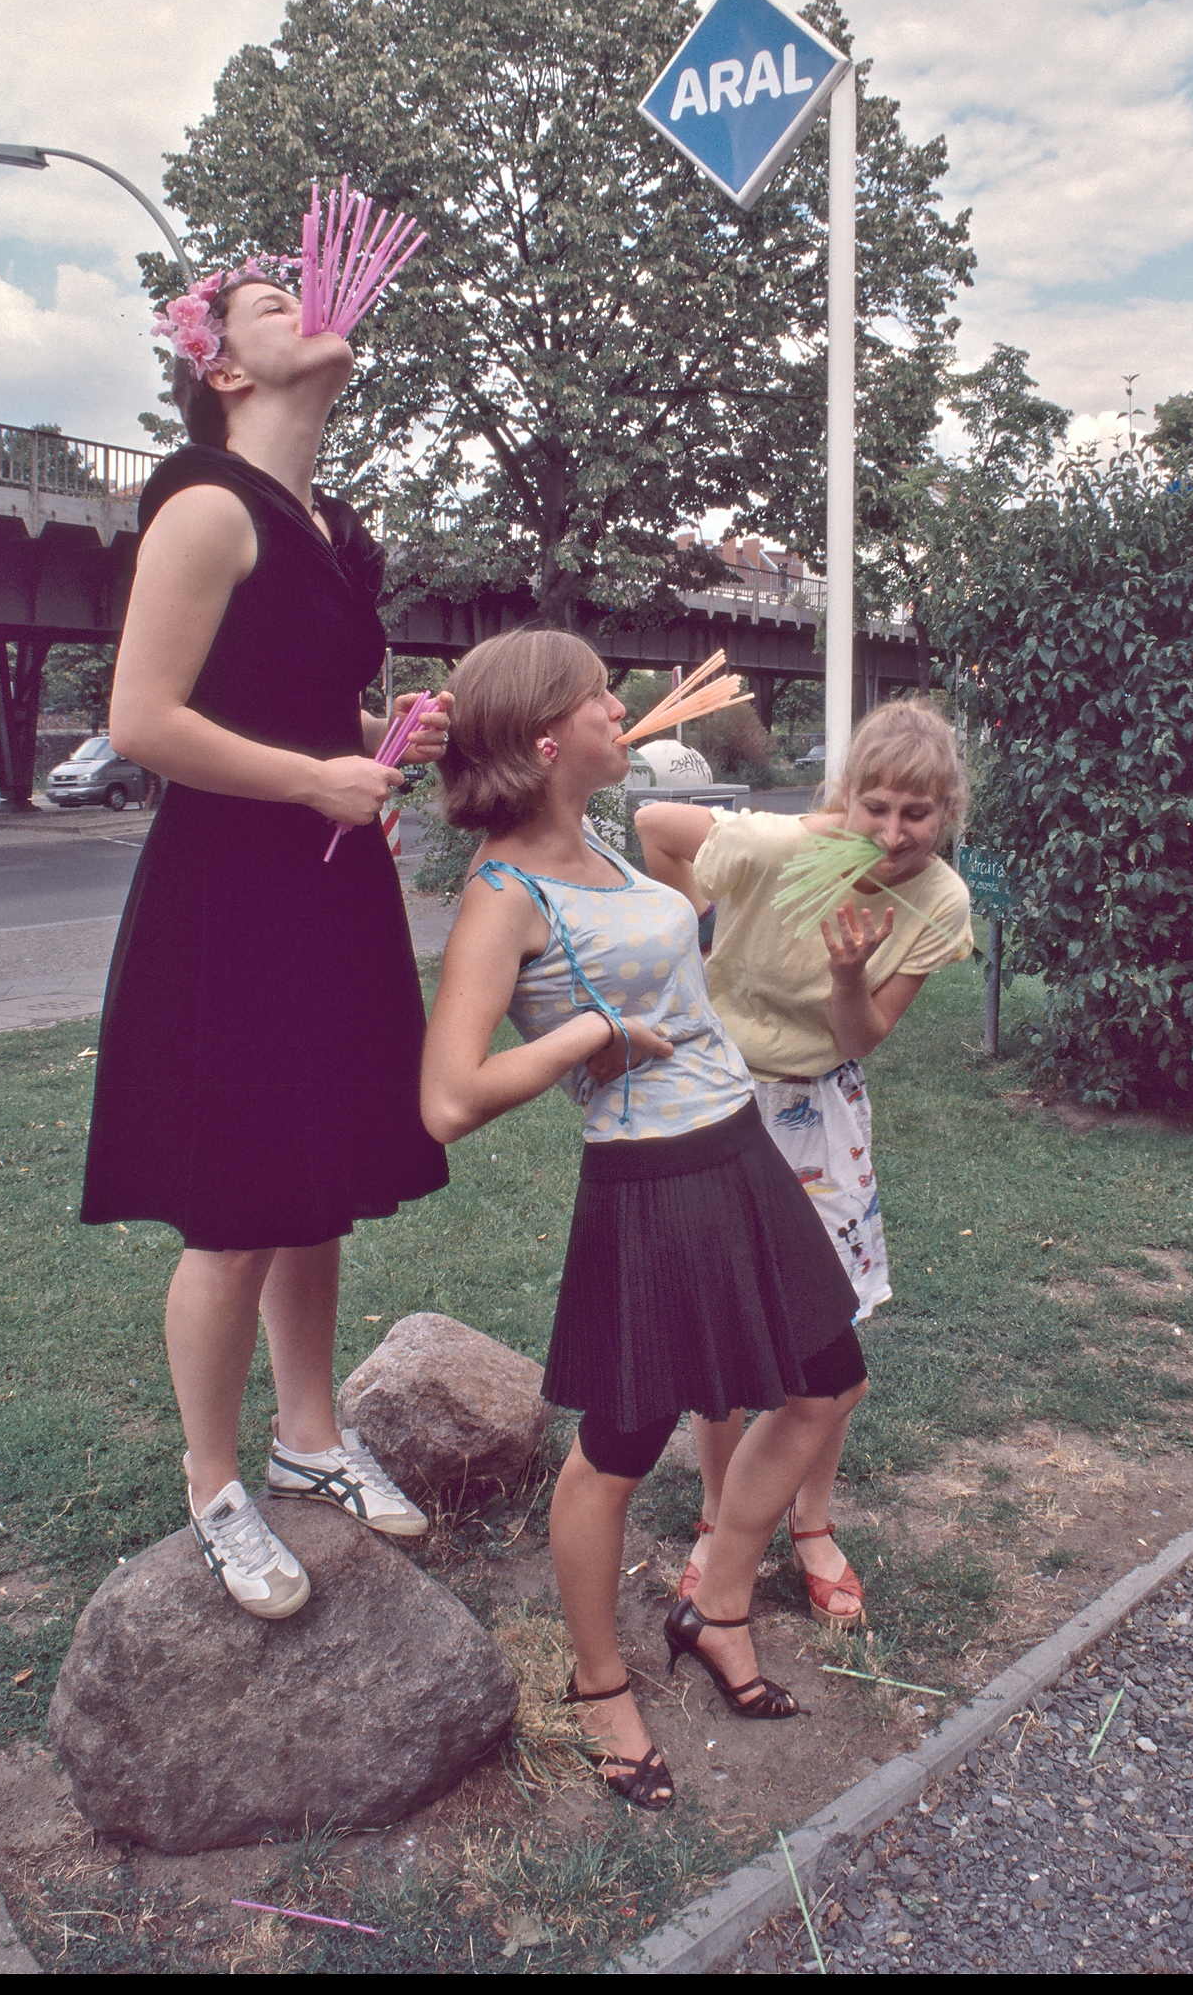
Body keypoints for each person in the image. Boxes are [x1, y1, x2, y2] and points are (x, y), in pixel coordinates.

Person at [419, 630, 868, 1812]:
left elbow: (689, 938)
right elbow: (447, 1098)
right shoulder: (503, 892)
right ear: (546, 739)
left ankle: (715, 1604)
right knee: (618, 1450)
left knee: (826, 1381)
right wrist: (584, 1039)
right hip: (649, 1184)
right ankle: (597, 1682)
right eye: (603, 703)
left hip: (737, 1150)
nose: (628, 713)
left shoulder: (609, 847)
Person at [80, 261, 451, 1620]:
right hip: (230, 898)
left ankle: (311, 1440)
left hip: (325, 881)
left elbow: (292, 707)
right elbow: (142, 722)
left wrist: (382, 743)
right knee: (236, 1209)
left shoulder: (329, 524)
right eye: (271, 305)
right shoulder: (203, 505)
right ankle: (215, 1483)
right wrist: (314, 781)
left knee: (317, 1183)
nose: (308, 306)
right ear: (223, 368)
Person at [634, 699, 972, 1628]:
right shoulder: (777, 846)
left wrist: (846, 977)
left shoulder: (938, 899)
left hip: (820, 1111)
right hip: (721, 1099)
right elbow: (654, 824)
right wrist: (694, 928)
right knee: (724, 1320)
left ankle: (810, 1525)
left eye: (918, 813)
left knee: (828, 1328)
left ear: (947, 811)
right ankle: (716, 1514)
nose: (895, 833)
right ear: (845, 798)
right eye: (876, 808)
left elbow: (865, 1033)